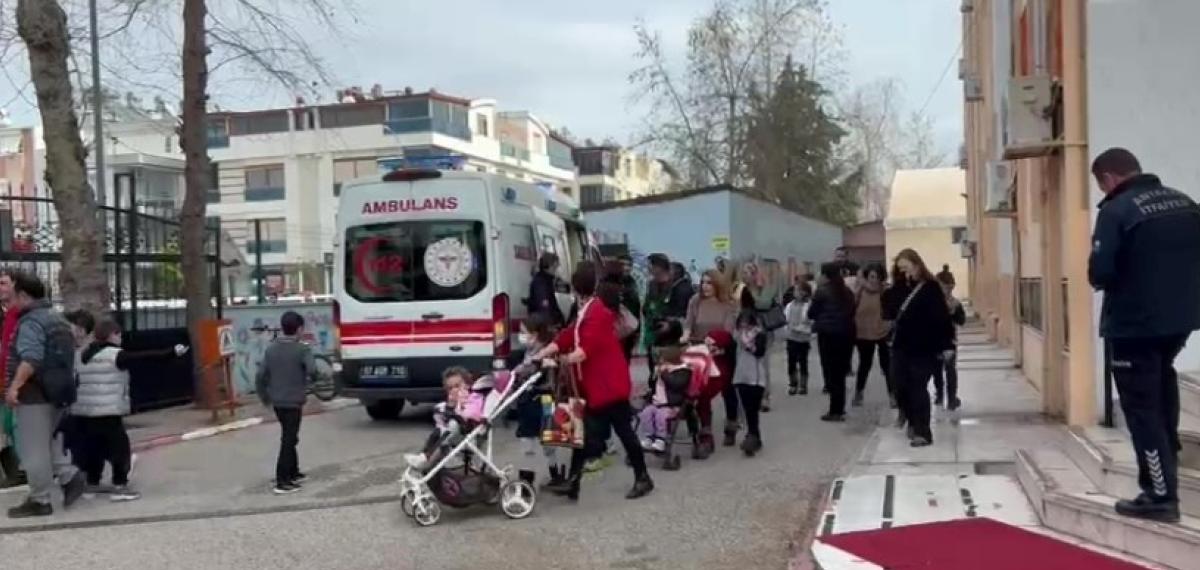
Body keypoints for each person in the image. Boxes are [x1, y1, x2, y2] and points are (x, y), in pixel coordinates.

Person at [1088, 147, 1200, 523]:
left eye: (1100, 184)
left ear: (1108, 178)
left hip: (1134, 325)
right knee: (1162, 384)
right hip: (1180, 321)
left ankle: (1160, 494)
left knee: (1141, 410)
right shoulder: (1185, 203)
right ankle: (1169, 454)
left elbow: (1101, 272)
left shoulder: (1116, 210)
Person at [533, 263, 653, 500]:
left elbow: (583, 351)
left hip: (608, 385)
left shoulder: (595, 312)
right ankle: (574, 482)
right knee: (584, 433)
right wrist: (546, 350)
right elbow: (571, 334)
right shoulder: (589, 308)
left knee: (621, 432)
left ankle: (642, 477)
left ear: (576, 287)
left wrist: (556, 359)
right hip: (600, 384)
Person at [72, 319, 188, 501]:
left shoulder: (80, 354)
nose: (121, 338)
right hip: (108, 410)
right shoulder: (114, 355)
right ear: (112, 335)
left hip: (84, 410)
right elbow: (145, 358)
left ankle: (92, 484)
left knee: (93, 448)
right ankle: (120, 485)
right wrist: (171, 352)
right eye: (119, 334)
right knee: (119, 449)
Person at [4, 272, 86, 518]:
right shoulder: (58, 319)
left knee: (32, 450)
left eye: (12, 294)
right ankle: (69, 476)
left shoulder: (30, 322)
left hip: (34, 395)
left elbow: (31, 358)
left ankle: (39, 499)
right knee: (45, 442)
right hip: (58, 392)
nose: (9, 300)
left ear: (23, 295)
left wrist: (14, 387)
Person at [889, 249, 954, 448]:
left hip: (924, 347)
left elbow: (942, 318)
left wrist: (947, 345)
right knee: (900, 386)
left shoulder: (930, 287)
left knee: (918, 387)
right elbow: (890, 309)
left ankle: (922, 432)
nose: (904, 273)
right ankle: (910, 419)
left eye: (906, 268)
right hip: (901, 346)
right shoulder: (900, 288)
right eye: (900, 269)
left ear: (917, 265)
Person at [255, 311, 319, 495]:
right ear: (299, 329)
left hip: (277, 401)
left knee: (290, 436)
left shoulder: (271, 349)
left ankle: (293, 471)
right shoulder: (302, 349)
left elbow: (260, 376)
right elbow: (313, 370)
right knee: (289, 440)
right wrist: (313, 379)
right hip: (293, 401)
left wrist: (265, 398)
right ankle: (282, 481)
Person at [513, 314, 565, 485]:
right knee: (542, 440)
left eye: (523, 332)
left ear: (535, 335)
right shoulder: (531, 352)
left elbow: (529, 370)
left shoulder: (543, 354)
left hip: (539, 399)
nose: (521, 336)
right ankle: (552, 473)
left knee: (532, 440)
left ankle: (529, 479)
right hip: (537, 400)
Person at [808, 263, 857, 422]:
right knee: (840, 373)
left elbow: (811, 313)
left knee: (831, 372)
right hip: (847, 335)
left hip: (828, 336)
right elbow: (853, 310)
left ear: (825, 275)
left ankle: (835, 410)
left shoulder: (821, 292)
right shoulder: (847, 292)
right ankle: (839, 408)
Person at [638, 323, 691, 452]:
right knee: (645, 413)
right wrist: (654, 377)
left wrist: (664, 374)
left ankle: (661, 439)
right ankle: (649, 436)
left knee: (661, 417)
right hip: (657, 402)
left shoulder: (683, 370)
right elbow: (653, 385)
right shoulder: (661, 368)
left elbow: (677, 385)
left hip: (672, 404)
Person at [731, 288, 769, 456]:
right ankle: (753, 436)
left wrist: (748, 344)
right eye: (741, 323)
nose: (744, 326)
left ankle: (753, 436)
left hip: (756, 377)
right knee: (747, 410)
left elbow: (759, 352)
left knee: (753, 409)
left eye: (747, 323)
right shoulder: (738, 335)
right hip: (741, 376)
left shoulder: (759, 334)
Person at [853, 264, 892, 407]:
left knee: (887, 365)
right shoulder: (860, 290)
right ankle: (859, 393)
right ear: (867, 277)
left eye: (877, 277)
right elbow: (852, 306)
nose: (874, 280)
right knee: (865, 364)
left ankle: (893, 395)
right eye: (871, 277)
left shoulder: (885, 291)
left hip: (882, 331)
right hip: (863, 332)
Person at [0, 270, 24, 489]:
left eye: (3, 283)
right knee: (6, 427)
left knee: (12, 426)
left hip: (14, 378)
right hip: (5, 377)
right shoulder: (7, 314)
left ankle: (19, 471)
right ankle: (15, 471)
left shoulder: (18, 314)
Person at [932, 269, 967, 410]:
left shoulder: (955, 303)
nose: (946, 290)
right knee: (937, 370)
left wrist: (953, 313)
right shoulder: (932, 303)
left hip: (948, 341)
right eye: (944, 287)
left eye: (949, 287)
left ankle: (951, 398)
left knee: (949, 369)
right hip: (936, 341)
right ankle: (941, 395)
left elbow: (961, 320)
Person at [784, 282, 814, 395]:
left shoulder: (808, 306)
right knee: (791, 361)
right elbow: (786, 319)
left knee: (803, 362)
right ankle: (793, 383)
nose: (795, 292)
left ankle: (803, 385)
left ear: (804, 293)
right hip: (791, 337)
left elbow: (810, 321)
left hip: (803, 338)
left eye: (797, 290)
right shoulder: (790, 305)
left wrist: (801, 328)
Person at [528, 253, 565, 327]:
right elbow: (544, 306)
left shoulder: (546, 280)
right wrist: (553, 323)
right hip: (544, 326)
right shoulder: (541, 282)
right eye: (555, 267)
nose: (557, 270)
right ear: (549, 267)